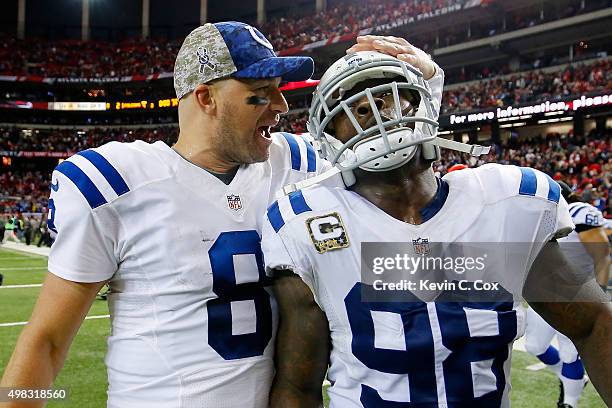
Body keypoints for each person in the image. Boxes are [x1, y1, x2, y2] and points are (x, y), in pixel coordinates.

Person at [261, 37, 612, 407]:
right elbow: (299, 385)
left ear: (423, 104)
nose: (370, 107)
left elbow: (592, 324)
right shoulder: (306, 225)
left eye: (382, 92)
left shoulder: (507, 204)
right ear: (327, 137)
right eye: (350, 104)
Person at [1, 21, 329, 408]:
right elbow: (47, 343)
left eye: (279, 90)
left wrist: (420, 75)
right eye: (260, 94)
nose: (281, 106)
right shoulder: (116, 182)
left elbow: (402, 217)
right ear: (205, 98)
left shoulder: (296, 163)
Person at [524, 181, 610, 408]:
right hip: (547, 292)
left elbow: (602, 255)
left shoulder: (580, 211)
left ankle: (570, 403)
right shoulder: (547, 217)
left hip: (578, 291)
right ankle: (571, 380)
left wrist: (598, 293)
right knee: (535, 345)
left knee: (570, 352)